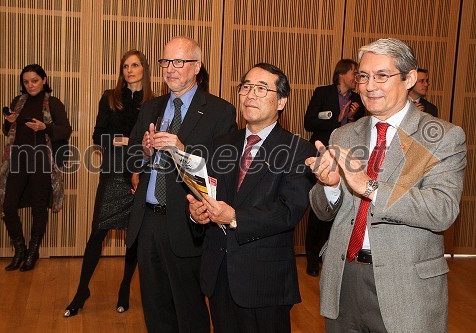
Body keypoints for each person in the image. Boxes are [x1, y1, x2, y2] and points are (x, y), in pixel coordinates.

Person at [306, 38, 466, 332]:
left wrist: (369, 186)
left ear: (409, 79)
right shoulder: (344, 136)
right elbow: (323, 213)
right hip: (343, 279)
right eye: (363, 77)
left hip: (406, 288)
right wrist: (329, 186)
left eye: (381, 75)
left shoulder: (440, 136)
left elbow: (442, 210)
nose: (369, 86)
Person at [187, 63, 315, 333]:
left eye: (261, 88)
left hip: (265, 281)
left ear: (281, 101)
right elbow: (208, 194)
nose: (251, 95)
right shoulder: (222, 143)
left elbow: (288, 210)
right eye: (246, 87)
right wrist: (197, 214)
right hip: (219, 273)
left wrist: (234, 217)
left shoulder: (296, 148)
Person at [127, 36, 237, 333]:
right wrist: (145, 151)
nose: (170, 69)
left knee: (189, 311)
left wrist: (182, 150)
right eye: (165, 62)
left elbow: (222, 169)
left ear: (197, 66)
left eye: (179, 62)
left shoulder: (219, 111)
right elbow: (132, 158)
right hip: (148, 221)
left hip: (188, 223)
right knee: (155, 308)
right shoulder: (151, 108)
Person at [63, 50, 154, 317]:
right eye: (125, 66)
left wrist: (132, 142)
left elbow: (154, 140)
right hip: (113, 171)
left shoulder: (153, 103)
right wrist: (126, 140)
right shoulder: (110, 98)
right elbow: (98, 136)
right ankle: (81, 291)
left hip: (140, 172)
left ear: (144, 69)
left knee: (133, 238)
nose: (129, 70)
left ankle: (125, 288)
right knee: (96, 235)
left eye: (135, 65)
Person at [0, 64, 72, 271]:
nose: (30, 85)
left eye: (35, 80)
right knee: (8, 205)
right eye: (26, 81)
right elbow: (7, 131)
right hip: (17, 159)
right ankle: (19, 249)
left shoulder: (53, 103)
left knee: (38, 207)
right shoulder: (17, 102)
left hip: (41, 161)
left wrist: (44, 127)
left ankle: (32, 251)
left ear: (44, 80)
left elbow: (65, 130)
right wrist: (9, 121)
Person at [303, 59, 365, 276]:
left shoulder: (359, 99)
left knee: (343, 206)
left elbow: (362, 129)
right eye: (354, 73)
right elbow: (308, 122)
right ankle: (312, 256)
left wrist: (350, 117)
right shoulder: (323, 93)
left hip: (348, 158)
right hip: (322, 154)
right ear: (342, 73)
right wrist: (336, 120)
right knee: (320, 205)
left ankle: (327, 254)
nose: (356, 78)